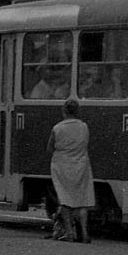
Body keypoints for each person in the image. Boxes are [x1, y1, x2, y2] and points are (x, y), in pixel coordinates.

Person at [46, 99, 96, 244]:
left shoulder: (57, 128)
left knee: (65, 200)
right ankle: (85, 233)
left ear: (64, 111)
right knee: (82, 201)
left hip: (61, 166)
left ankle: (69, 233)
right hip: (81, 165)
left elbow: (50, 149)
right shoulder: (84, 127)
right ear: (78, 111)